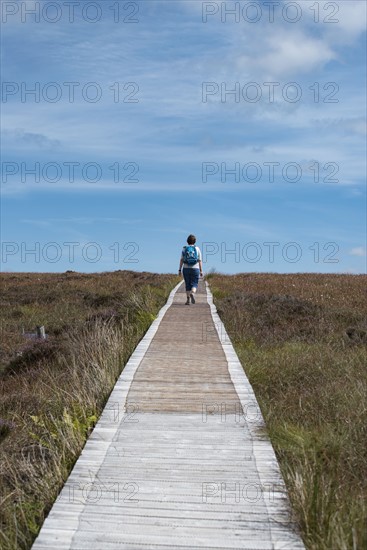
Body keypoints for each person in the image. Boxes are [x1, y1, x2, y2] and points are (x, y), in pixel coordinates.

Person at [178, 234, 203, 305]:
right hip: (195, 268)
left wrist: (179, 270)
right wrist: (201, 271)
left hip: (186, 268)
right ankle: (192, 293)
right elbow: (200, 260)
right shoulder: (197, 249)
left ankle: (188, 300)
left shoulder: (184, 248)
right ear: (195, 241)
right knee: (194, 283)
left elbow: (182, 260)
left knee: (187, 284)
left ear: (187, 241)